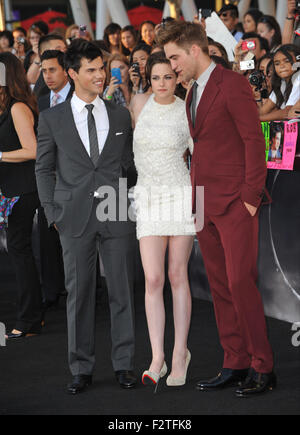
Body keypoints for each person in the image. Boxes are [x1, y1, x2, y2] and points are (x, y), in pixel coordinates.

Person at [158, 20, 276, 398]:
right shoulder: (192, 91)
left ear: (195, 50)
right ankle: (235, 362)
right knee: (221, 288)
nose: (172, 66)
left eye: (174, 57)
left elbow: (252, 142)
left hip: (236, 204)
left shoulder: (232, 83)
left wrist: (251, 197)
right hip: (205, 203)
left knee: (241, 284)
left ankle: (263, 366)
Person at [35, 39, 137, 395]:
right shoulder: (51, 119)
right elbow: (43, 169)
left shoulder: (121, 114)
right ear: (73, 73)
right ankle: (81, 367)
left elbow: (127, 165)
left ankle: (124, 364)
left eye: (101, 68)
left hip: (117, 211)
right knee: (79, 294)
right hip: (72, 215)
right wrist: (52, 212)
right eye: (91, 70)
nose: (99, 75)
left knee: (122, 290)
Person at [131, 52, 195, 388]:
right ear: (148, 78)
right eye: (156, 77)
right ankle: (158, 358)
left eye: (168, 77)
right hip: (148, 198)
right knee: (153, 279)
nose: (162, 84)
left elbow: (200, 156)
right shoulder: (138, 103)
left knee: (176, 274)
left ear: (177, 77)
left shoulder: (188, 108)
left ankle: (179, 351)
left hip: (180, 196)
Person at [0, 52, 42, 339]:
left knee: (20, 252)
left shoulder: (17, 108)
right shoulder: (7, 108)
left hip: (23, 192)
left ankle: (29, 319)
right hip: (11, 191)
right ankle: (31, 316)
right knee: (18, 252)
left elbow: (33, 150)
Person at [37, 49, 73, 314]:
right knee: (48, 235)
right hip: (49, 175)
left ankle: (86, 292)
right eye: (44, 70)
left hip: (75, 177)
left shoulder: (80, 95)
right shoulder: (40, 100)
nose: (47, 75)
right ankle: (52, 291)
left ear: (65, 70)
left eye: (52, 70)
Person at [258, 44, 300, 121]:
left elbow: (287, 111)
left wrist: (259, 119)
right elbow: (263, 111)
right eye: (277, 63)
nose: (282, 66)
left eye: (287, 61)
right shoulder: (282, 83)